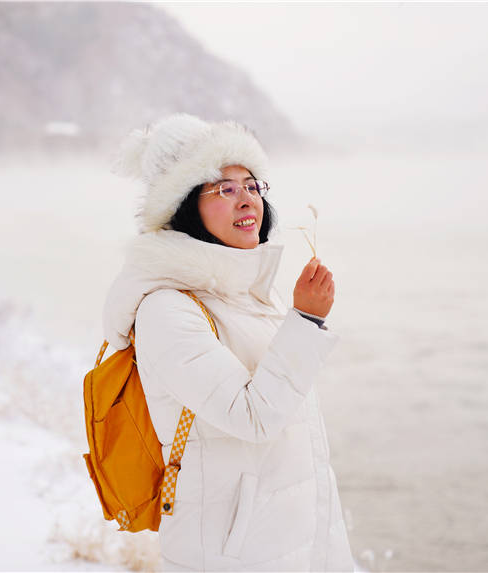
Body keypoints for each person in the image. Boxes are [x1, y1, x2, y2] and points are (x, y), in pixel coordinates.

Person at [102, 114, 355, 571]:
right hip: (231, 553)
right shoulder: (166, 308)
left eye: (252, 185)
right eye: (224, 188)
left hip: (298, 543)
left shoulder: (252, 293)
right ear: (182, 207)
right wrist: (306, 320)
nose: (246, 200)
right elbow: (253, 417)